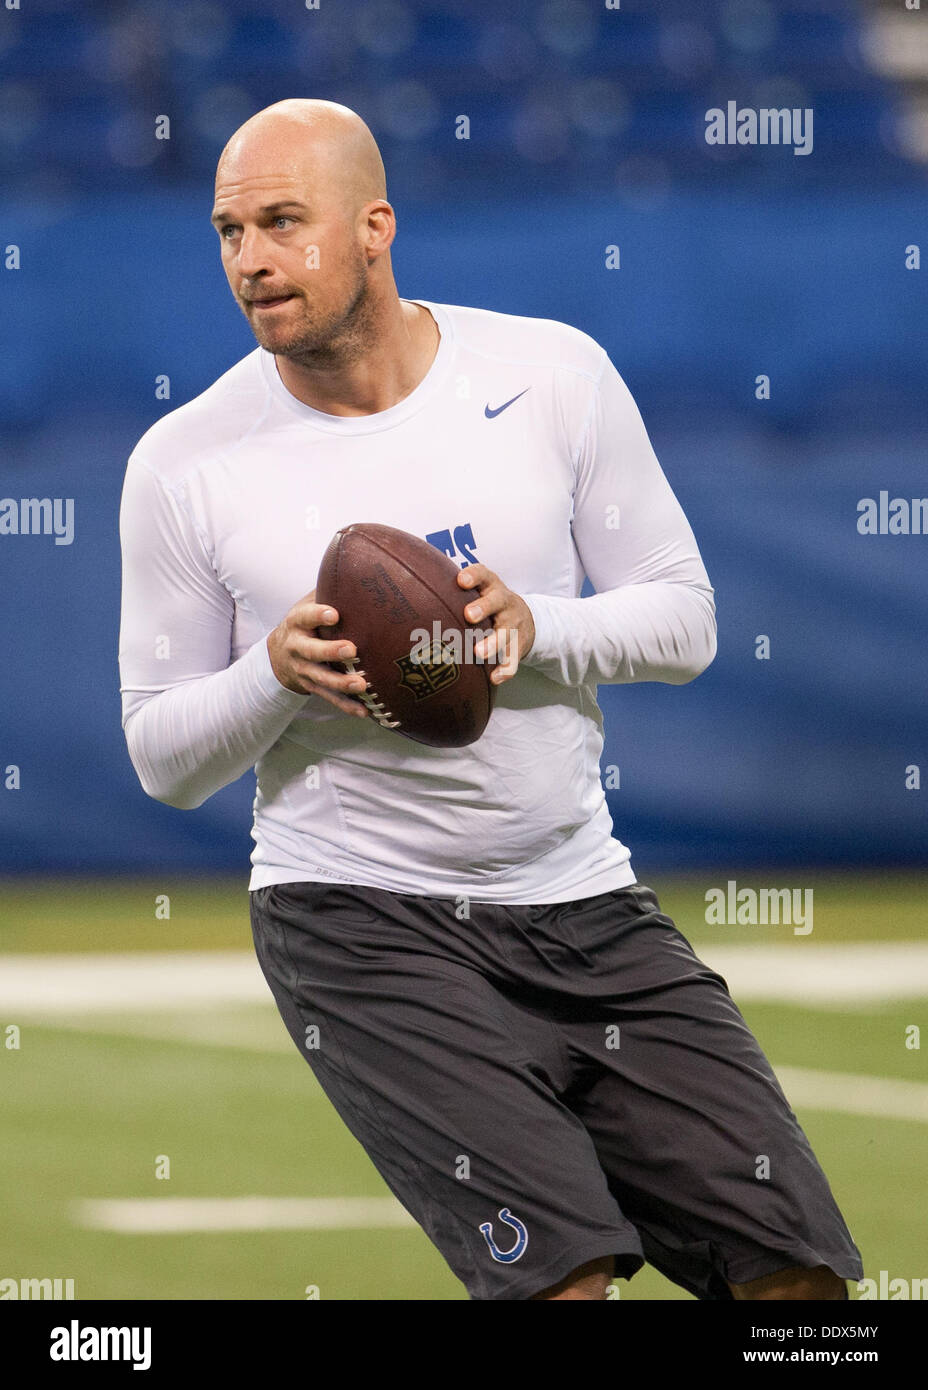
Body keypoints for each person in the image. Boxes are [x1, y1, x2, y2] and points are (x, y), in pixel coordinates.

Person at [118, 99, 863, 1301]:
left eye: (281, 222)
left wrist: (534, 626)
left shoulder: (549, 374)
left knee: (799, 1283)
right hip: (357, 916)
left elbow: (685, 620)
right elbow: (161, 753)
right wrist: (271, 675)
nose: (249, 260)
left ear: (374, 227)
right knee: (561, 1285)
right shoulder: (184, 461)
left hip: (581, 895)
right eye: (227, 230)